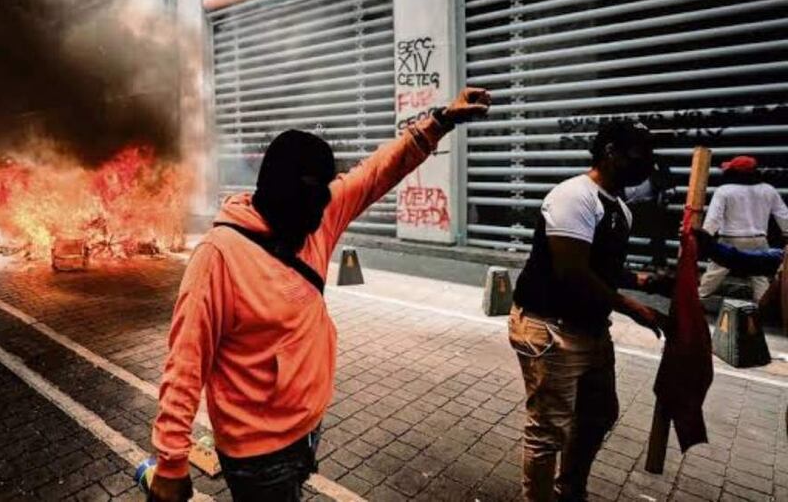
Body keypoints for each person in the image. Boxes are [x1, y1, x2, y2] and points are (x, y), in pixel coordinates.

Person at [148, 88, 491, 502]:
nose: (319, 216)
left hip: (307, 430)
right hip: (257, 455)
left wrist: (441, 120)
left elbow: (378, 171)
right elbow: (185, 363)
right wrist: (170, 462)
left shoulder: (317, 215)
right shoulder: (218, 257)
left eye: (323, 199)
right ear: (277, 192)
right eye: (310, 201)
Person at [508, 121, 670, 502]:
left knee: (598, 414)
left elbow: (601, 269)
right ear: (611, 152)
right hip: (551, 328)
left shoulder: (619, 209)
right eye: (639, 154)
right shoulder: (574, 197)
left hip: (590, 329)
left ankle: (571, 491)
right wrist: (632, 307)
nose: (647, 163)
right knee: (548, 430)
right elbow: (572, 271)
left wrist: (644, 280)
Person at [698, 156, 788, 302]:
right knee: (760, 276)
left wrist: (703, 237)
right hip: (759, 240)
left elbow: (714, 218)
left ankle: (697, 299)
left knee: (715, 272)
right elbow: (783, 215)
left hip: (729, 239)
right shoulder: (768, 189)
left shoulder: (724, 191)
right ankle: (762, 308)